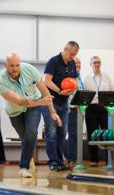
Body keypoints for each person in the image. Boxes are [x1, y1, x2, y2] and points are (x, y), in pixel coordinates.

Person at [0, 52, 61, 178]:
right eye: (12, 66)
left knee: (31, 133)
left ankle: (23, 167)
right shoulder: (0, 81)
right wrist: (40, 101)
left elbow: (44, 91)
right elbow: (20, 101)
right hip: (14, 111)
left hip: (34, 107)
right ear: (5, 65)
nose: (15, 69)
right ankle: (29, 157)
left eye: (17, 65)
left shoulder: (30, 70)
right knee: (25, 138)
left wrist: (52, 112)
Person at [42, 41, 79, 172]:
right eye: (71, 54)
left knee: (62, 133)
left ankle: (60, 161)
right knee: (51, 133)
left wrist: (72, 91)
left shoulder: (72, 63)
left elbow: (73, 82)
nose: (72, 58)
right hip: (50, 102)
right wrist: (58, 91)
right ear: (65, 49)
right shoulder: (53, 61)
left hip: (64, 103)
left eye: (75, 55)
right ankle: (53, 162)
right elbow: (46, 81)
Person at [83, 56, 114, 167]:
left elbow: (112, 91)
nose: (97, 64)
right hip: (91, 108)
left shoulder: (106, 77)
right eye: (94, 63)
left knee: (107, 134)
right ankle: (94, 160)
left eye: (99, 62)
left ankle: (108, 159)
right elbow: (82, 93)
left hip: (104, 108)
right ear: (90, 64)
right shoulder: (85, 77)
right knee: (92, 135)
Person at [66, 57, 84, 169]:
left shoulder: (80, 77)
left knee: (78, 135)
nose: (77, 64)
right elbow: (67, 93)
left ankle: (76, 159)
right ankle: (71, 159)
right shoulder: (68, 76)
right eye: (75, 63)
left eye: (79, 62)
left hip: (80, 110)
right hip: (71, 109)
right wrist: (66, 106)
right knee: (73, 135)